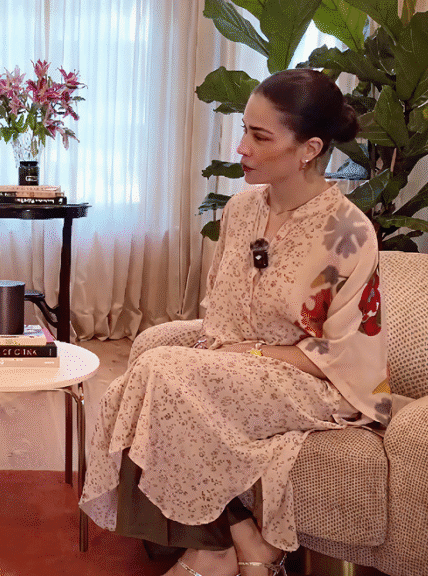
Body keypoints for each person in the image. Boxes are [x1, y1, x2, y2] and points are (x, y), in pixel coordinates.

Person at [79, 68, 391, 576]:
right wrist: (218, 355)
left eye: (260, 136)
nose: (241, 147)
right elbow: (219, 310)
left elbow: (344, 355)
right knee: (145, 373)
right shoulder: (242, 210)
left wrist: (247, 354)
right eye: (244, 129)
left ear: (309, 149)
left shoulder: (347, 233)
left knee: (162, 373)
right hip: (231, 362)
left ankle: (212, 552)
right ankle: (240, 540)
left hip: (315, 382)